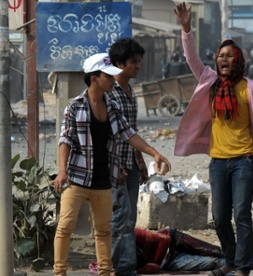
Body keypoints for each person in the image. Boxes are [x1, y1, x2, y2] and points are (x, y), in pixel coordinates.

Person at [173, 3, 253, 276]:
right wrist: (186, 28)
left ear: (237, 61)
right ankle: (231, 258)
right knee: (220, 218)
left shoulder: (250, 88)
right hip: (218, 161)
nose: (224, 59)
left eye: (229, 56)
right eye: (220, 55)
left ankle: (241, 267)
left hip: (244, 161)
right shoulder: (210, 81)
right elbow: (191, 58)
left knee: (242, 215)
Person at [52, 53, 171, 276]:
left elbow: (129, 134)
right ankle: (60, 272)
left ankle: (105, 272)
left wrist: (154, 152)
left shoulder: (112, 106)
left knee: (104, 231)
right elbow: (65, 140)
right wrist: (61, 172)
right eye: (108, 76)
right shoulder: (74, 107)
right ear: (94, 78)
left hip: (104, 180)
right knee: (65, 228)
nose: (112, 80)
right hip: (77, 179)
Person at [107, 38, 149, 276]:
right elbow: (108, 135)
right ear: (120, 64)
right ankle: (111, 267)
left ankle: (126, 267)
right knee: (118, 220)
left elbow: (131, 130)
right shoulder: (109, 92)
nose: (138, 66)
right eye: (134, 62)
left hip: (131, 164)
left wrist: (140, 160)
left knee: (130, 219)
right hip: (116, 167)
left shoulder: (130, 91)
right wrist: (117, 165)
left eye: (139, 62)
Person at [134, 227, 253, 273]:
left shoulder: (131, 235)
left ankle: (245, 259)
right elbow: (155, 268)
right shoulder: (126, 266)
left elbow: (165, 239)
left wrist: (160, 257)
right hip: (170, 261)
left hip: (175, 240)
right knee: (212, 263)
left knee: (215, 251)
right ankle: (252, 262)